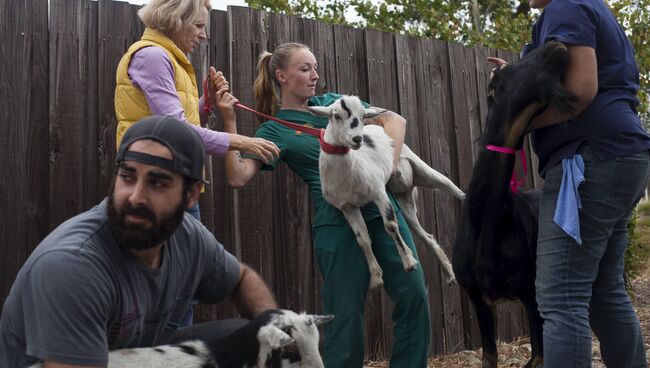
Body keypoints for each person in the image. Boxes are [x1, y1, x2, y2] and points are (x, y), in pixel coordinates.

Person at [215, 42, 431, 368]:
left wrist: (387, 166)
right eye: (305, 69)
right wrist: (230, 123)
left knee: (414, 295)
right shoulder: (274, 129)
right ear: (281, 76)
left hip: (379, 209)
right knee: (344, 319)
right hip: (336, 221)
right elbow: (237, 176)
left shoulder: (334, 103)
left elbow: (393, 121)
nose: (315, 75)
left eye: (315, 67)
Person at [0, 116, 278, 368]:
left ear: (192, 194)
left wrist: (277, 330)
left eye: (157, 183)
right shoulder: (71, 265)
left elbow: (241, 278)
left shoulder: (188, 237)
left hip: (128, 358)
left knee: (247, 338)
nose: (135, 197)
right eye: (128, 176)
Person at [490, 1, 650, 367]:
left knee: (561, 297)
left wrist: (515, 121)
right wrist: (516, 75)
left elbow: (580, 89)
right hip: (619, 156)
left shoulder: (566, 6)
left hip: (587, 162)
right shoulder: (587, 6)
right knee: (603, 293)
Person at [114, 0, 280, 221]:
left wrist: (207, 101)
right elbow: (176, 132)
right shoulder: (153, 57)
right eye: (199, 25)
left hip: (174, 181)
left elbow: (178, 123)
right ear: (175, 20)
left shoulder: (168, 58)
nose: (204, 35)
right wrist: (243, 142)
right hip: (155, 187)